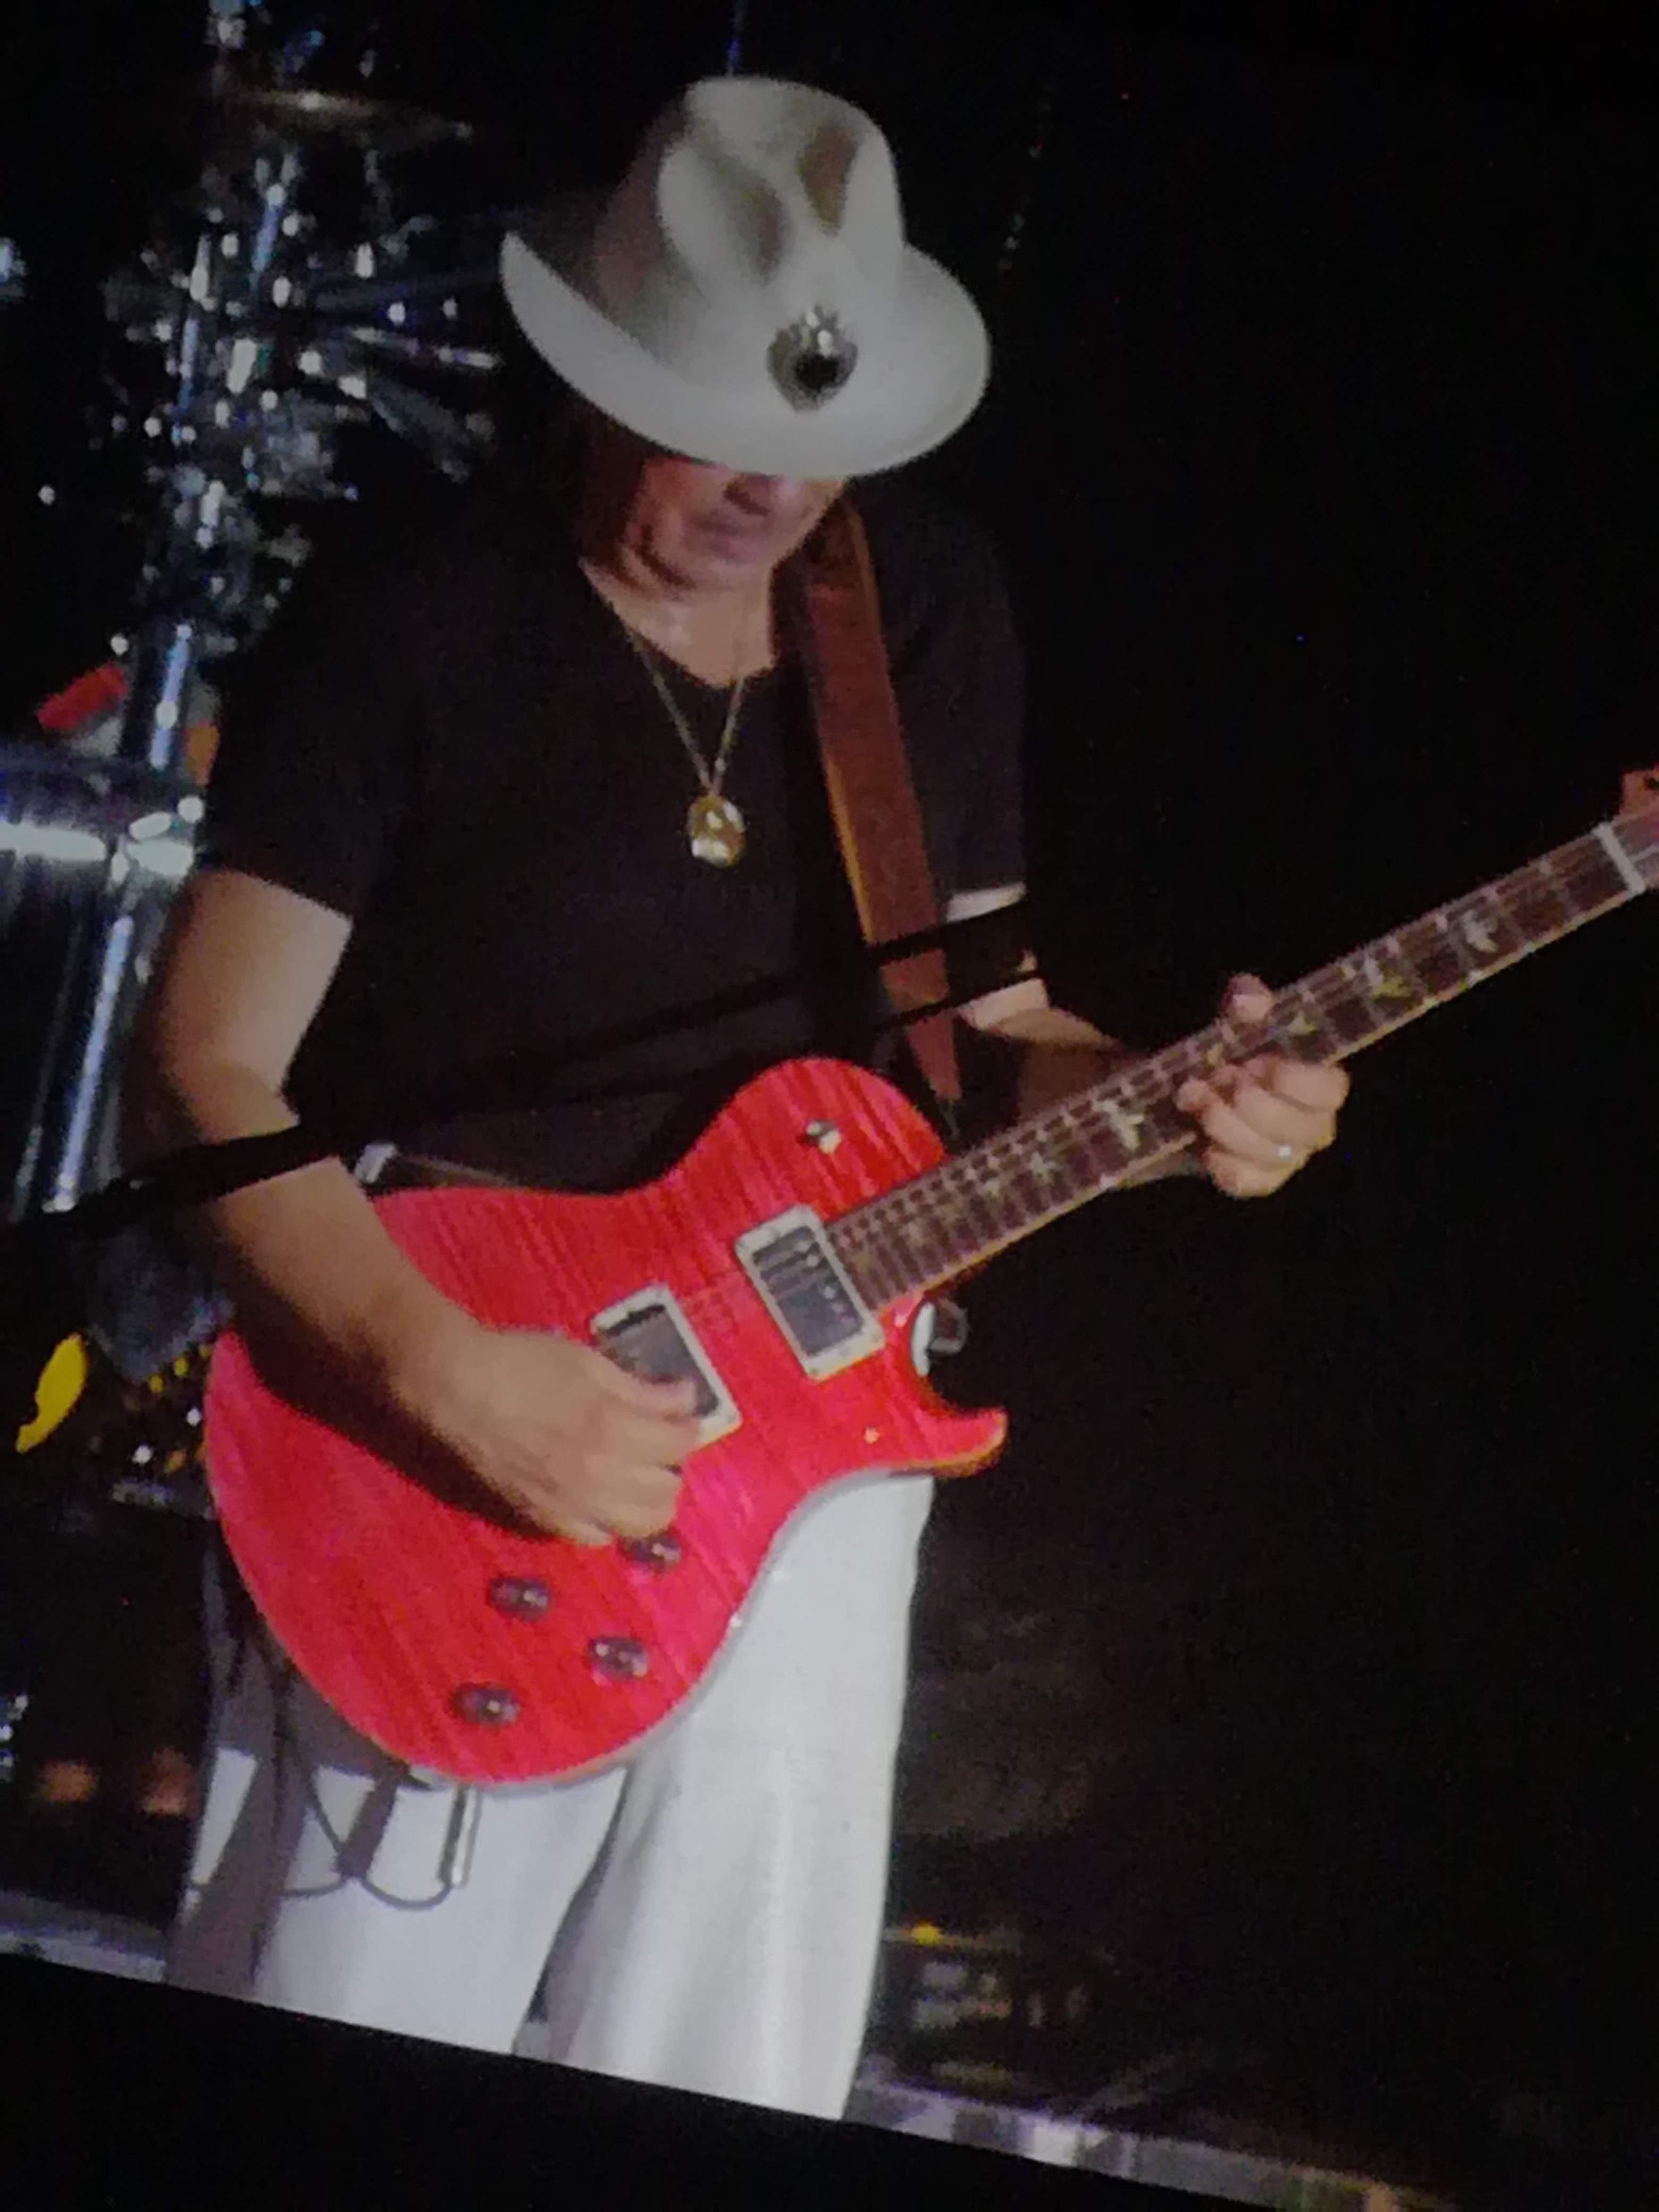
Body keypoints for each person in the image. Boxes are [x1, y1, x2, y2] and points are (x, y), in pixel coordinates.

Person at [125, 77, 1349, 2117]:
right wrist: (439, 1371)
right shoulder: (421, 611)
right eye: (716, 427)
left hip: (820, 1432)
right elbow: (203, 1068)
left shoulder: (919, 609)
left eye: (818, 441)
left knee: (733, 2064)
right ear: (602, 372)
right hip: (448, 1420)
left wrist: (1179, 1102)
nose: (772, 493)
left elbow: (994, 1028)